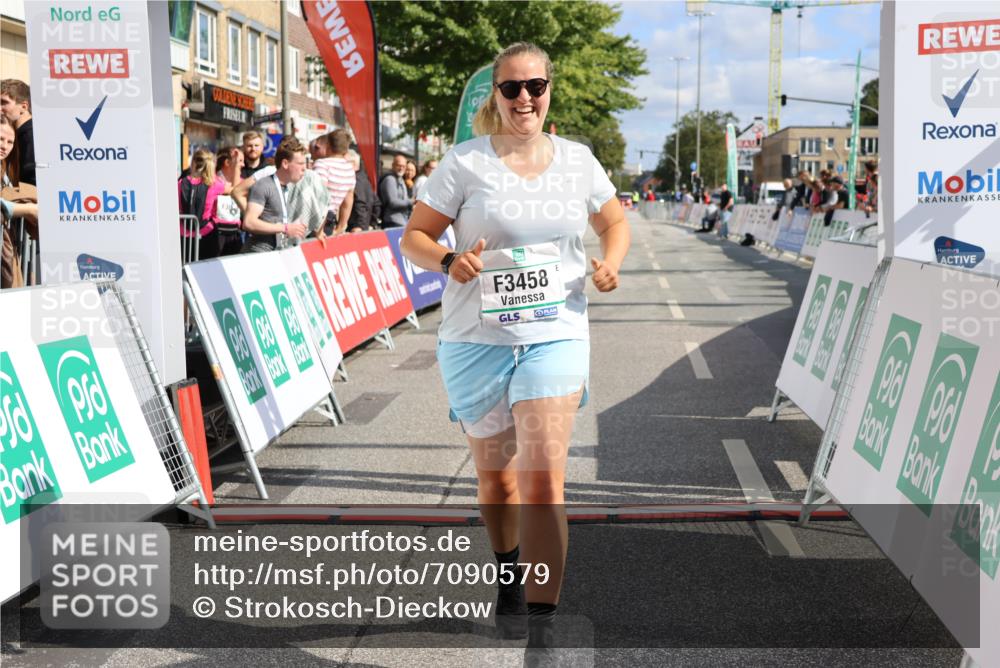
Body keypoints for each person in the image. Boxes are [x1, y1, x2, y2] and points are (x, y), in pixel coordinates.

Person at [400, 42, 629, 662]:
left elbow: (615, 222)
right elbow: (414, 236)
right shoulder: (464, 163)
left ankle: (542, 630)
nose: (525, 98)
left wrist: (610, 264)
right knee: (497, 482)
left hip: (555, 334)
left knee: (542, 478)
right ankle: (507, 571)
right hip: (476, 340)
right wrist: (451, 260)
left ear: (550, 89)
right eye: (512, 88)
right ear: (494, 96)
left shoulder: (579, 161)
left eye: (536, 86)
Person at [241, 137, 308, 252]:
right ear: (285, 164)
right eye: (300, 163)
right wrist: (285, 228)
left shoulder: (290, 187)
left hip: (280, 252)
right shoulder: (263, 185)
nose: (304, 168)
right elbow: (249, 222)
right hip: (259, 253)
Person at [1, 114, 36, 288]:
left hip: (7, 253)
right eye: (0, 139)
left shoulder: (6, 171)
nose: (4, 146)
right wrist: (27, 210)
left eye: (10, 142)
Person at [178, 149, 228, 260]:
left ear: (193, 163)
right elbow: (231, 189)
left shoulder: (181, 183)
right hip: (207, 233)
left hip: (183, 233)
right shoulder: (216, 184)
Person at [311, 129, 355, 235]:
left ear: (328, 144)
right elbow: (348, 200)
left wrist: (318, 229)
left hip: (316, 221)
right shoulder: (349, 168)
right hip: (331, 220)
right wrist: (340, 227)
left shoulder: (321, 164)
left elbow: (319, 196)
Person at [0, 80, 35, 186]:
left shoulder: (31, 137)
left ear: (24, 107)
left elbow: (33, 182)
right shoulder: (19, 134)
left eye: (4, 102)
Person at [213, 146, 245, 256]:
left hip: (235, 233)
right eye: (240, 161)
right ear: (227, 162)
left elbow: (237, 191)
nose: (243, 165)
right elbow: (234, 191)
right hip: (214, 234)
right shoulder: (212, 180)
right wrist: (236, 167)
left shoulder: (243, 181)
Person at [345, 150, 378, 233]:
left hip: (355, 229)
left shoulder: (355, 179)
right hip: (364, 227)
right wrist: (371, 224)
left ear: (352, 163)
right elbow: (376, 204)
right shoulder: (364, 178)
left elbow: (360, 203)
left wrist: (359, 226)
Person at [379, 154, 412, 228]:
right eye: (399, 165)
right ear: (393, 165)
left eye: (403, 166)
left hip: (402, 220)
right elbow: (393, 203)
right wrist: (411, 202)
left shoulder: (400, 179)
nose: (401, 168)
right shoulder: (390, 179)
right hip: (392, 221)